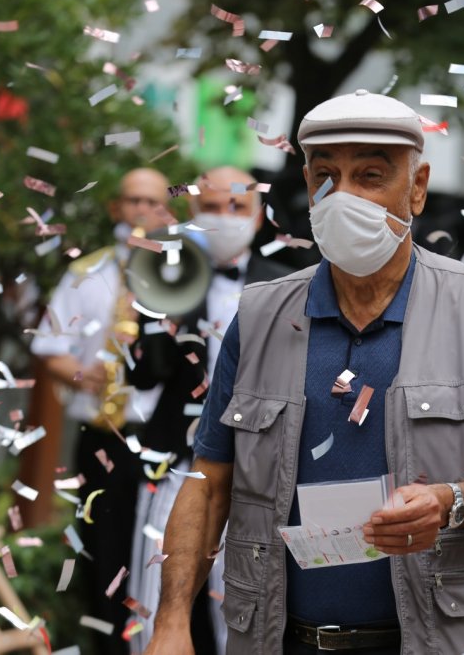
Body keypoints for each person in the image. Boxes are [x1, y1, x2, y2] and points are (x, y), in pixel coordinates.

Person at [143, 89, 464, 655]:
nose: (344, 197)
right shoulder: (261, 316)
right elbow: (208, 484)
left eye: (370, 176)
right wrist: (171, 623)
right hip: (283, 640)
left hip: (439, 640)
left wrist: (448, 501)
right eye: (326, 177)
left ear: (417, 187)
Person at [126, 166, 291, 654]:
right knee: (152, 594)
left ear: (257, 217)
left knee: (243, 602)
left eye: (237, 207)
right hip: (175, 461)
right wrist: (155, 304)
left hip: (255, 468)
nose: (225, 217)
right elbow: (145, 374)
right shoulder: (170, 275)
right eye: (213, 208)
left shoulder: (285, 285)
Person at [31, 168, 172, 655]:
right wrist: (79, 373)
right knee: (104, 553)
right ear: (116, 207)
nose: (143, 210)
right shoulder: (85, 272)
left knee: (159, 555)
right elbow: (48, 346)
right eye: (134, 201)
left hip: (159, 437)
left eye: (153, 202)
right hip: (102, 433)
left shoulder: (179, 269)